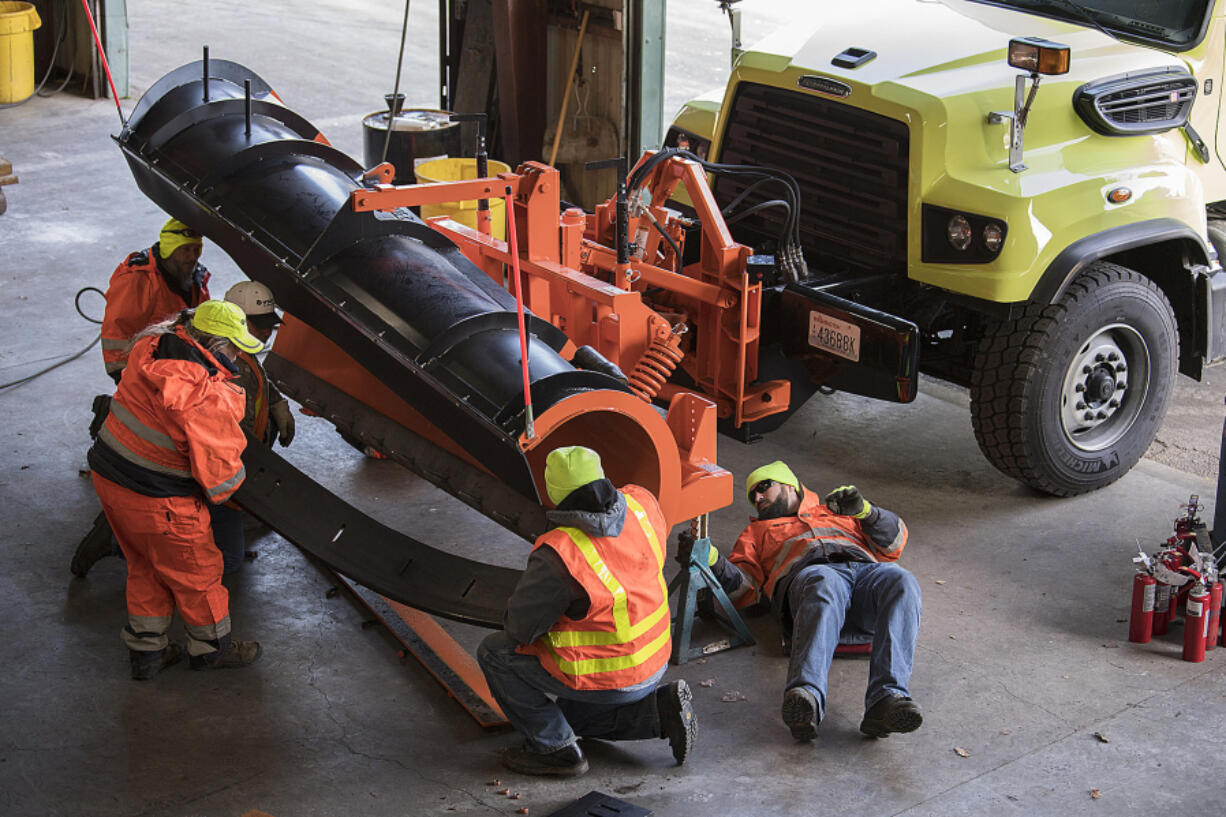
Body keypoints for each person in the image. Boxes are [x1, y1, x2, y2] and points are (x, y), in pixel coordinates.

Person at [477, 446, 697, 777]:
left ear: (553, 494)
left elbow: (519, 628)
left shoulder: (560, 553)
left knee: (495, 653)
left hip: (611, 675)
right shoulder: (642, 504)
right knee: (575, 714)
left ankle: (556, 750)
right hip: (655, 658)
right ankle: (659, 710)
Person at [88, 300, 264, 679]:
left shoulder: (153, 346)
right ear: (216, 345)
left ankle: (147, 653)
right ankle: (212, 650)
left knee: (146, 565)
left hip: (110, 476)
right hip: (159, 498)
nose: (237, 355)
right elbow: (221, 481)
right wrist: (239, 490)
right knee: (199, 575)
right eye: (234, 346)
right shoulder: (205, 398)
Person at [708, 461, 922, 741]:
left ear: (788, 484)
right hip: (811, 582)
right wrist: (712, 561)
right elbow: (747, 594)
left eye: (762, 487)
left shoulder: (837, 511)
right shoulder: (755, 533)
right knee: (824, 580)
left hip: (865, 576)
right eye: (752, 497)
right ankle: (806, 697)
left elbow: (894, 544)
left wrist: (866, 512)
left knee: (901, 580)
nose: (757, 499)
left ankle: (887, 700)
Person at [203, 281, 295, 574]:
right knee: (227, 562)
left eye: (269, 324)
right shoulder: (228, 367)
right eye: (258, 325)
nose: (267, 332)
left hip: (234, 466)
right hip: (219, 473)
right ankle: (121, 545)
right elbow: (225, 442)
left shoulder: (240, 351)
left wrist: (276, 401)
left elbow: (258, 374)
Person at [101, 217, 211, 382]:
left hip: (180, 364)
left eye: (196, 249)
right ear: (169, 250)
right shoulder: (137, 280)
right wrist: (125, 377)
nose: (192, 257)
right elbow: (117, 332)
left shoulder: (195, 277)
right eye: (186, 250)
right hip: (147, 368)